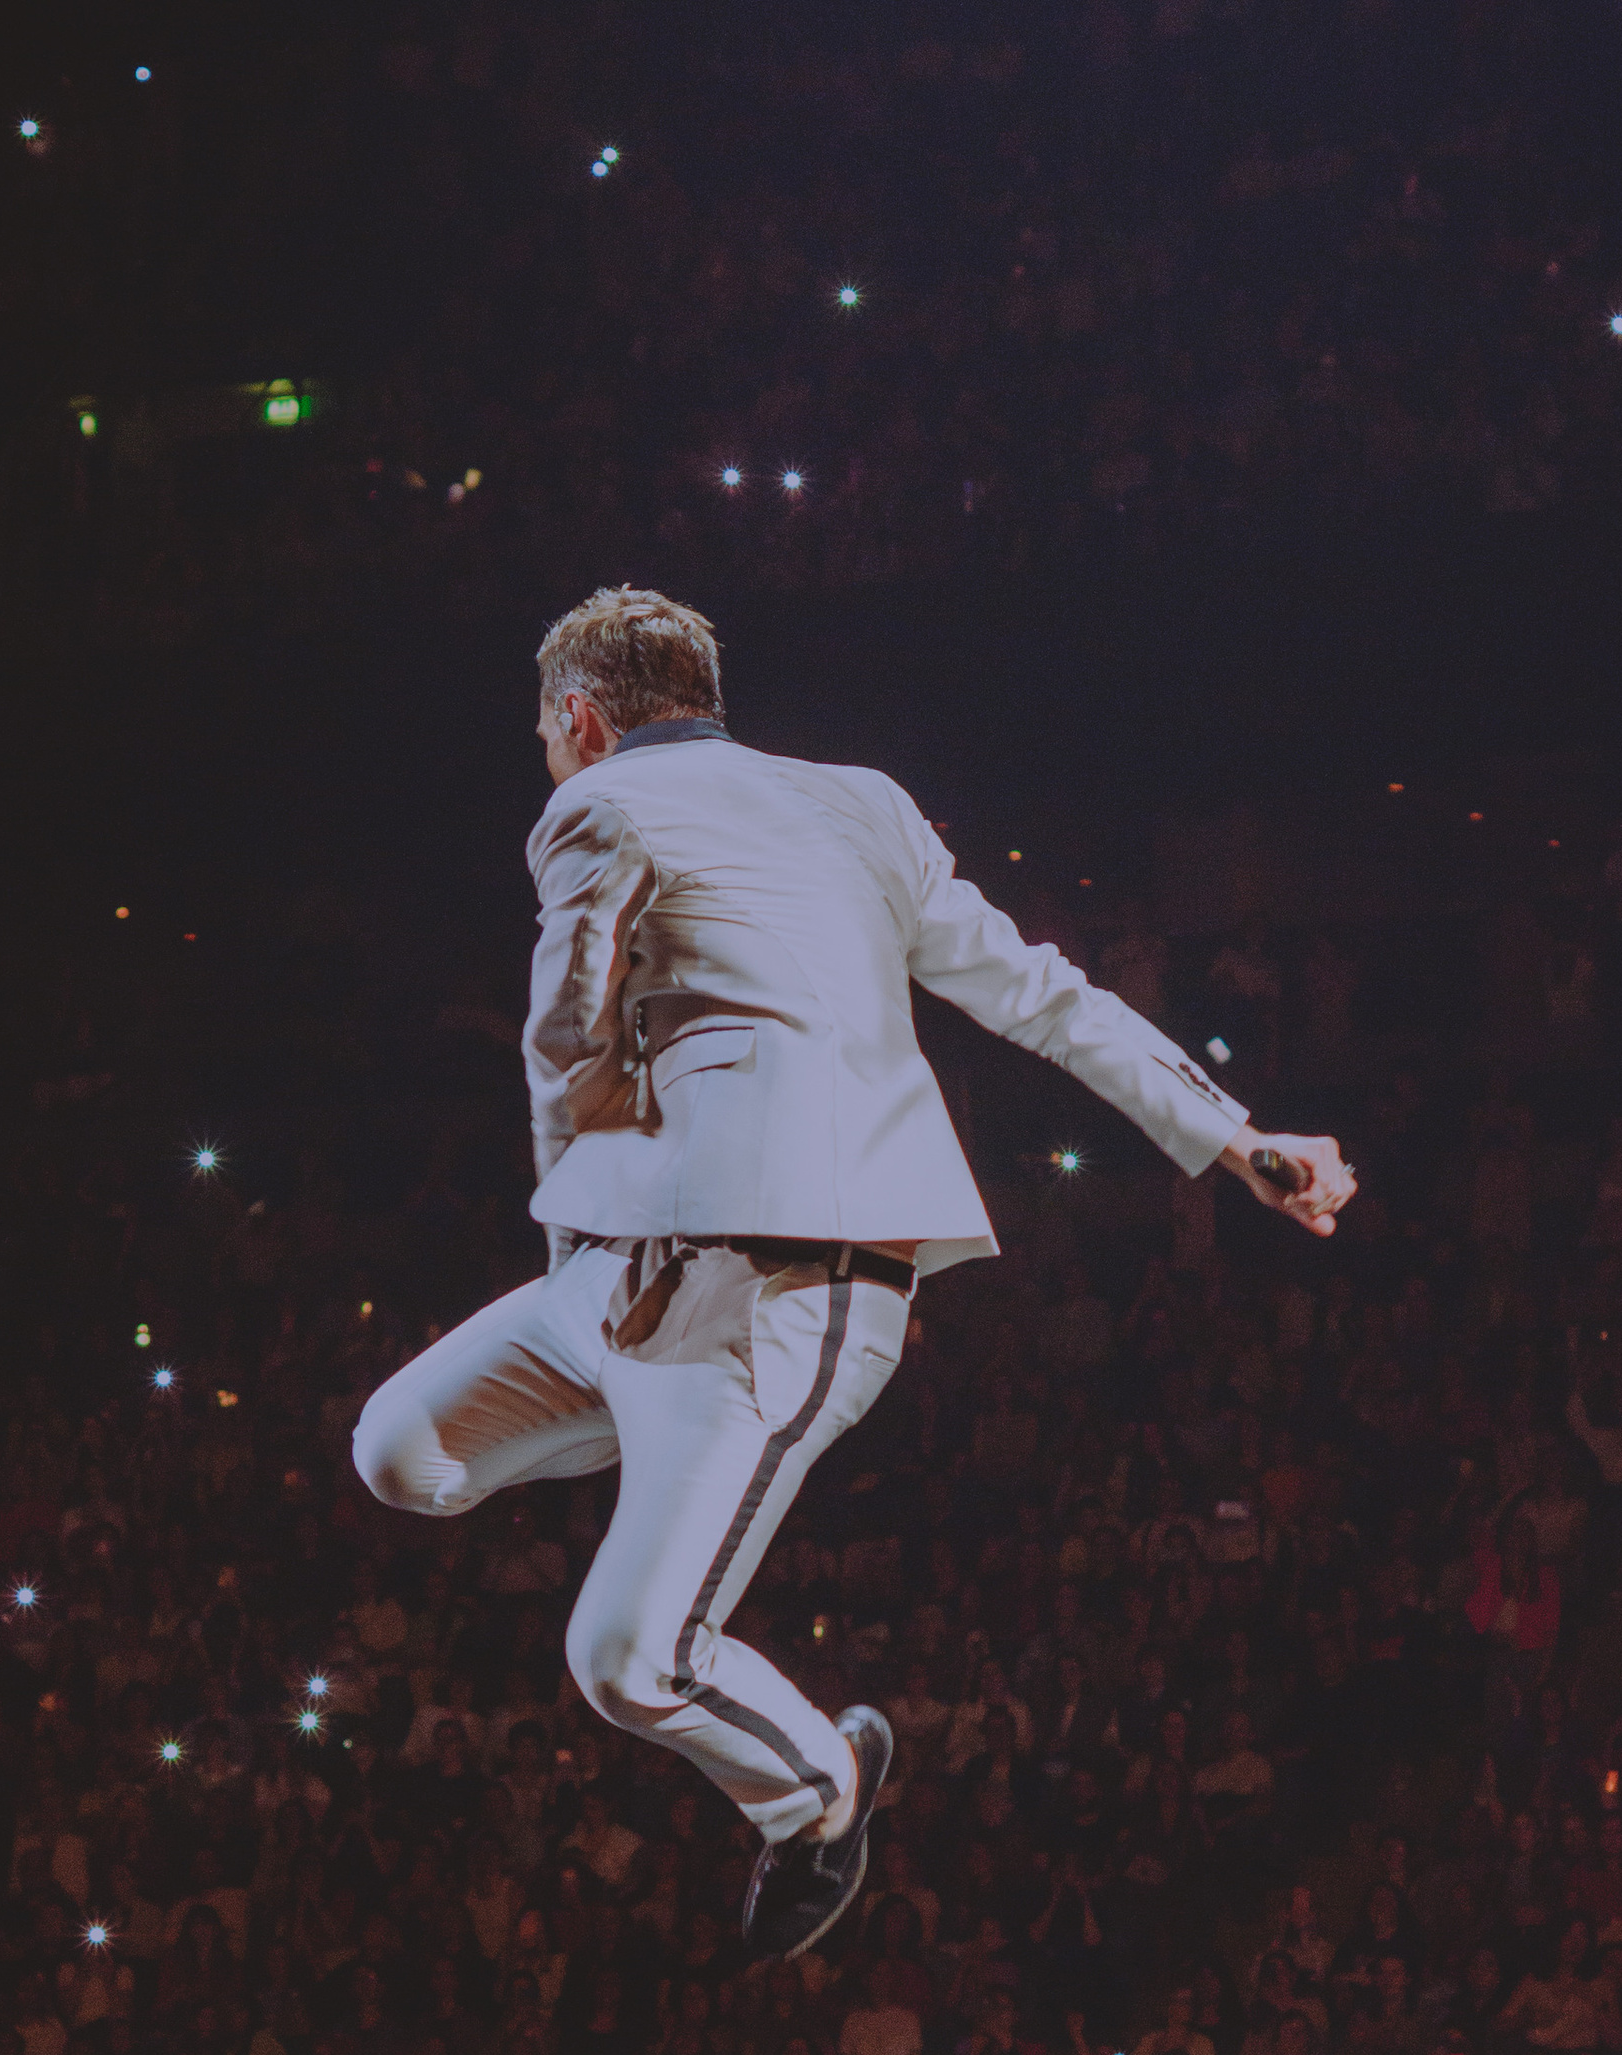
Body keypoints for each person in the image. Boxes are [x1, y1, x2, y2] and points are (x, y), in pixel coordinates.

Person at [353, 588, 1353, 1959]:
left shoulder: (590, 807)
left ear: (581, 722)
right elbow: (1037, 989)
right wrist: (1239, 1133)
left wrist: (561, 1218)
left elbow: (561, 1041)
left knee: (625, 1664)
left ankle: (820, 1785)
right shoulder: (864, 801)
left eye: (544, 732)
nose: (546, 756)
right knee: (401, 1453)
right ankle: (656, 1454)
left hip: (779, 1292)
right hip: (623, 1279)